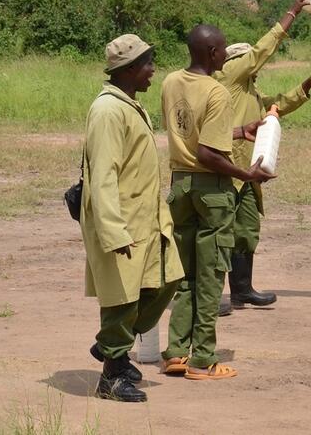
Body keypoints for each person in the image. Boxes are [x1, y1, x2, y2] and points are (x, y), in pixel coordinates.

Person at [160, 24, 274, 381]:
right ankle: (203, 359)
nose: (225, 56)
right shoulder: (217, 92)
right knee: (210, 276)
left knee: (187, 276)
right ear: (210, 54)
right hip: (212, 192)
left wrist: (240, 131)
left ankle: (177, 352)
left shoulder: (170, 82)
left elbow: (191, 134)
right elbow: (208, 153)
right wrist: (246, 175)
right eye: (223, 50)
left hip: (180, 186)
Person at [215, 0, 311, 314]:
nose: (251, 65)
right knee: (220, 231)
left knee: (246, 230)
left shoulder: (248, 89)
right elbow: (262, 49)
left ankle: (242, 290)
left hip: (249, 171)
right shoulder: (227, 79)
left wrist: (306, 86)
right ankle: (212, 296)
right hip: (225, 167)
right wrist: (292, 11)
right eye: (246, 63)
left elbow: (275, 106)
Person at [80, 34, 184, 402]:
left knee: (165, 282)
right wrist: (113, 231)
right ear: (128, 70)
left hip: (147, 219)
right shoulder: (109, 110)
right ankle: (112, 373)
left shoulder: (129, 105)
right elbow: (103, 175)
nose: (153, 70)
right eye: (147, 63)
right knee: (122, 297)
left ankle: (110, 346)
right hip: (122, 222)